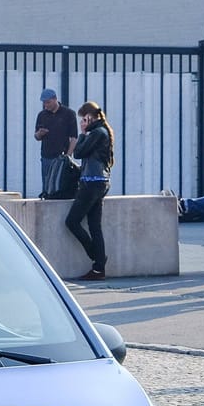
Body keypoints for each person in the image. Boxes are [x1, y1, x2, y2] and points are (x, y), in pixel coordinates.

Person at [66, 101, 114, 280]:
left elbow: (77, 153)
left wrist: (83, 133)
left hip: (92, 183)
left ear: (90, 117)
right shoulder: (100, 132)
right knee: (94, 226)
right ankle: (98, 268)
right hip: (97, 182)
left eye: (83, 119)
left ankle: (97, 257)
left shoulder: (97, 133)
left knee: (72, 221)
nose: (82, 122)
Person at [35, 89, 79, 199]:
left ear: (55, 99)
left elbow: (74, 137)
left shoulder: (68, 114)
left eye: (48, 102)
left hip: (61, 157)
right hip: (46, 156)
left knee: (61, 184)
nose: (46, 105)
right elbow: (36, 137)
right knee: (47, 186)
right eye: (44, 103)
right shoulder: (42, 115)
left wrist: (68, 156)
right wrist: (40, 133)